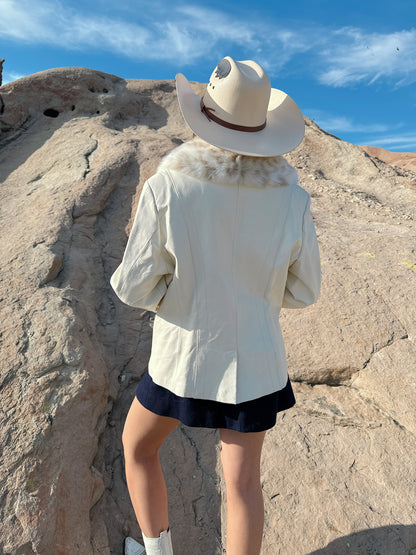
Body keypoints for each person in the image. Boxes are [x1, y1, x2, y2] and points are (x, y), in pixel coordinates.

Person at [111, 56, 321, 555]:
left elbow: (134, 286)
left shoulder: (169, 186)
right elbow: (304, 290)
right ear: (263, 128)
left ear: (204, 116)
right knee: (243, 485)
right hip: (255, 363)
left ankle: (157, 551)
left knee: (138, 448)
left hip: (181, 356)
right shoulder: (293, 200)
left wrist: (183, 300)